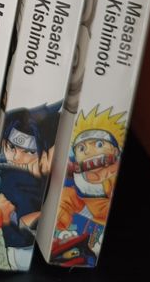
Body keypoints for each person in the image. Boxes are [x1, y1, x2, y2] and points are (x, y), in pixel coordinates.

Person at [0, 102, 61, 270]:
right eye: (11, 147)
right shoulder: (8, 172)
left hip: (23, 247)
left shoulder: (26, 177)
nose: (17, 157)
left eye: (29, 152)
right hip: (14, 245)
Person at [53, 105, 126, 262]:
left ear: (115, 151)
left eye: (99, 144)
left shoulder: (114, 171)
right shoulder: (78, 175)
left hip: (106, 218)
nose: (87, 152)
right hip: (89, 214)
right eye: (81, 148)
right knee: (66, 196)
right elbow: (67, 196)